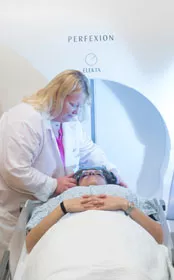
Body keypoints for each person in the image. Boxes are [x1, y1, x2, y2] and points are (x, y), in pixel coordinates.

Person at [0, 70, 125, 260]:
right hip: (16, 211)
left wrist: (113, 172)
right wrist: (54, 185)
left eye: (80, 106)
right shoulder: (24, 120)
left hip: (50, 209)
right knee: (15, 262)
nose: (76, 111)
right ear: (57, 95)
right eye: (73, 104)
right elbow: (15, 170)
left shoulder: (69, 121)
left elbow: (88, 151)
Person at [22, 167, 172, 280]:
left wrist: (124, 204)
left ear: (108, 180)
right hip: (69, 239)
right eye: (84, 174)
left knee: (130, 270)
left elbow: (158, 236)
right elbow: (30, 243)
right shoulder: (62, 198)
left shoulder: (124, 194)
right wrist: (63, 207)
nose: (90, 174)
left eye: (97, 172)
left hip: (120, 239)